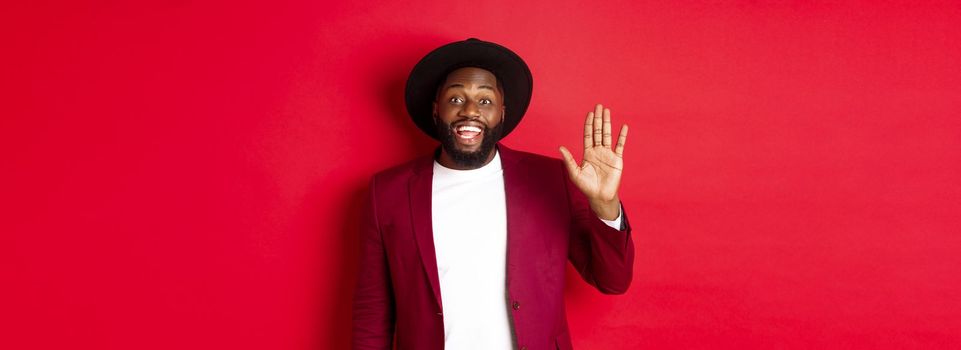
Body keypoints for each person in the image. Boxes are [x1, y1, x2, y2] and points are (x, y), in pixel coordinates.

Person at [352, 38, 635, 350]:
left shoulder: (551, 180)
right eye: (456, 99)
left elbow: (612, 281)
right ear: (436, 110)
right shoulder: (388, 193)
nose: (470, 111)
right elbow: (372, 312)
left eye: (485, 101)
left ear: (502, 112)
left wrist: (605, 203)